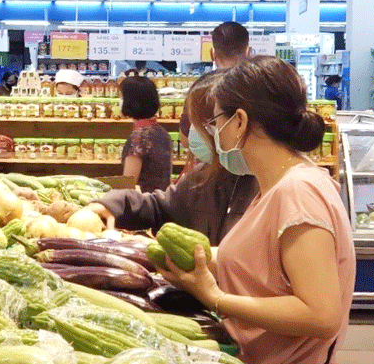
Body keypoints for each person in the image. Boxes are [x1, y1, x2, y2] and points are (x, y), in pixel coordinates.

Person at [160, 56, 355, 364]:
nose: (213, 132)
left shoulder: (297, 192)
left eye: (215, 121)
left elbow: (320, 314)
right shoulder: (276, 185)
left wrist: (215, 297)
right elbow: (262, 265)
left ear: (240, 121)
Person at [89, 71, 258, 244]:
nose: (193, 133)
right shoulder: (204, 177)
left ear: (239, 123)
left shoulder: (267, 189)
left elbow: (240, 259)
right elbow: (159, 206)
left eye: (203, 125)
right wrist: (113, 204)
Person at [180, 21, 250, 149]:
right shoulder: (258, 84)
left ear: (213, 54)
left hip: (209, 165)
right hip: (252, 165)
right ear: (248, 51)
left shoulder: (200, 87)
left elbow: (185, 141)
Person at [118, 76, 173, 193]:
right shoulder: (162, 132)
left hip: (143, 205)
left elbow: (128, 184)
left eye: (121, 97)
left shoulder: (139, 138)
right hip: (159, 202)